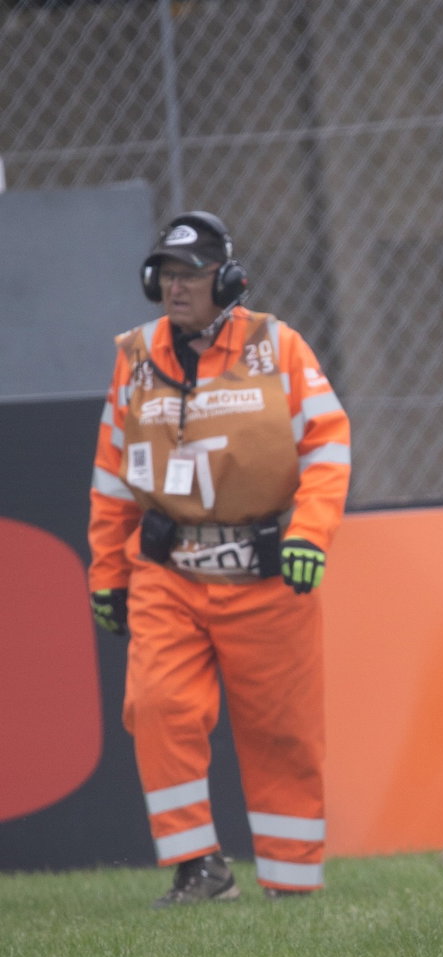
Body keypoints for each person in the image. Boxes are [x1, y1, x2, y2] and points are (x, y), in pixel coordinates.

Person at [87, 210, 352, 907]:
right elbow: (112, 478)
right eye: (167, 275)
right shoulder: (133, 357)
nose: (176, 288)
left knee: (283, 731)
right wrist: (107, 572)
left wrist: (310, 535)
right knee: (157, 706)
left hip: (267, 572)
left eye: (191, 275)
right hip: (166, 572)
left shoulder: (278, 347)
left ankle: (292, 883)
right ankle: (197, 867)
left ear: (226, 279)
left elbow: (328, 445)